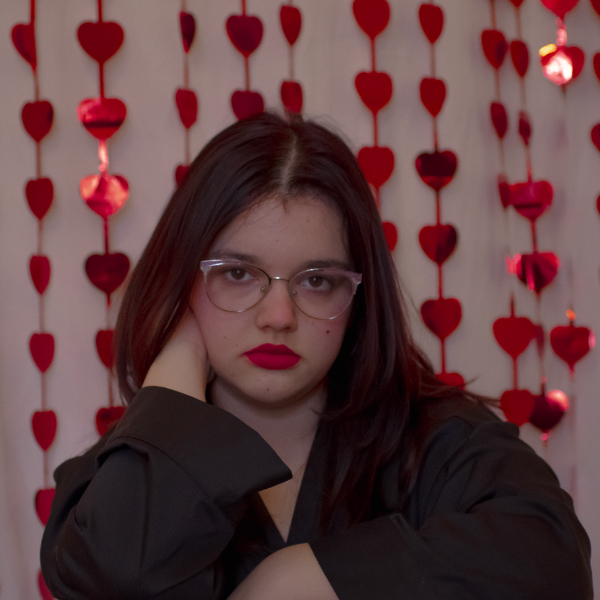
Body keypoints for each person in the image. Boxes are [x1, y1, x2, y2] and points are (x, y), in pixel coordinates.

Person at [40, 112, 592, 600]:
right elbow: (114, 579)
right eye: (237, 274)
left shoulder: (436, 440)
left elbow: (554, 565)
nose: (279, 316)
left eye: (317, 281)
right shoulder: (112, 481)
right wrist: (176, 362)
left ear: (358, 299)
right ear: (180, 283)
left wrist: (304, 577)